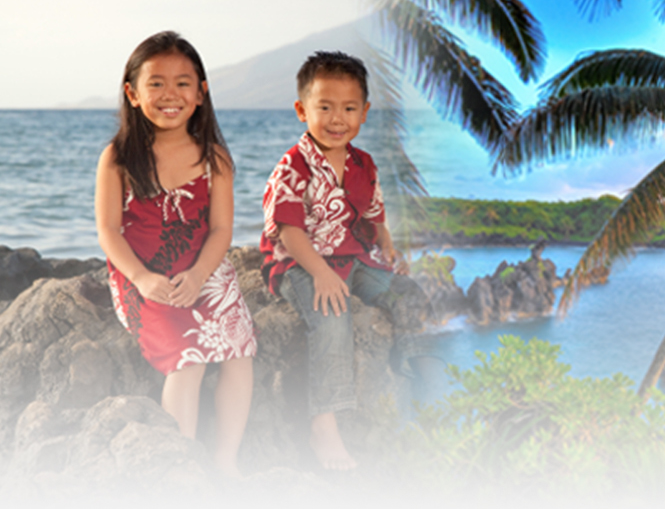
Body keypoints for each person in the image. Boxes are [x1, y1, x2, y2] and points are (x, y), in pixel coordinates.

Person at [94, 31, 256, 479]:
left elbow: (221, 230)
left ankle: (226, 458)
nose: (171, 95)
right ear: (133, 93)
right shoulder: (118, 157)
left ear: (201, 93)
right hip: (143, 272)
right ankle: (182, 463)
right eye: (157, 83)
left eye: (183, 83)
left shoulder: (214, 158)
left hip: (204, 267)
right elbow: (108, 231)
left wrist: (203, 274)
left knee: (239, 351)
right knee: (191, 356)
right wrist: (143, 279)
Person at [260, 51, 430, 471]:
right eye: (325, 107)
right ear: (302, 110)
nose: (338, 119)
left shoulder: (363, 164)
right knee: (333, 314)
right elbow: (289, 231)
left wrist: (386, 244)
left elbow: (373, 216)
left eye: (349, 108)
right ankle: (324, 424)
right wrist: (320, 273)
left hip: (353, 258)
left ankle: (411, 369)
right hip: (299, 261)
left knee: (406, 291)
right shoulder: (292, 167)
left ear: (365, 113)